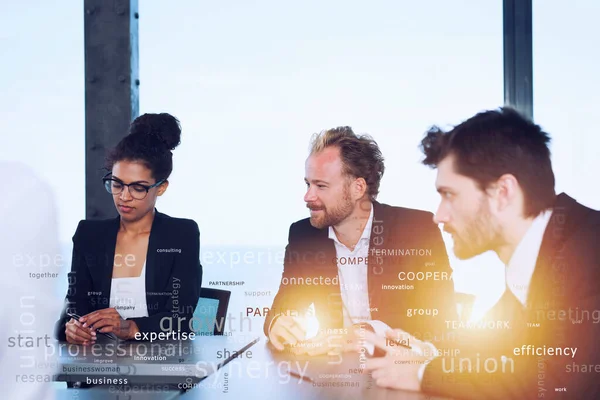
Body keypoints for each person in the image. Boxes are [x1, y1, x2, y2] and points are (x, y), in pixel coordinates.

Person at [363, 108, 600, 399]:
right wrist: (427, 353)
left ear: (503, 192)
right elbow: (498, 348)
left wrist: (424, 373)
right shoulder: (537, 263)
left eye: (449, 195)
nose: (439, 216)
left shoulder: (590, 251)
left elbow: (558, 381)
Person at [264, 126, 456, 355]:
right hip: (331, 376)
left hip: (402, 371)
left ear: (358, 188)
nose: (308, 196)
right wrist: (278, 323)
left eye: (321, 186)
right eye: (308, 184)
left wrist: (368, 332)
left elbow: (440, 322)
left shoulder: (417, 231)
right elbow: (286, 305)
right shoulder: (304, 236)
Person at [55, 113, 202, 343]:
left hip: (161, 372)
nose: (124, 196)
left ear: (161, 187)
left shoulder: (181, 236)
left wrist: (132, 327)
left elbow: (181, 321)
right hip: (97, 371)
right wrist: (71, 328)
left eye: (138, 188)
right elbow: (71, 311)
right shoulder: (89, 236)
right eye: (117, 184)